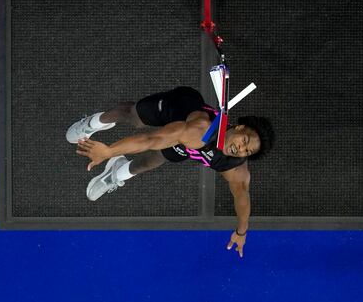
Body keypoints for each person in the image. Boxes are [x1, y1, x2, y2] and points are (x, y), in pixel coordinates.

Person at [66, 86, 275, 258]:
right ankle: (92, 123)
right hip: (178, 108)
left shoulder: (235, 166)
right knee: (133, 116)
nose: (240, 149)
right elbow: (150, 139)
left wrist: (242, 231)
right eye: (244, 141)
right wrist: (107, 150)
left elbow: (241, 196)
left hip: (185, 146)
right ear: (239, 128)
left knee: (150, 161)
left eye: (247, 151)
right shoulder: (200, 131)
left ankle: (115, 172)